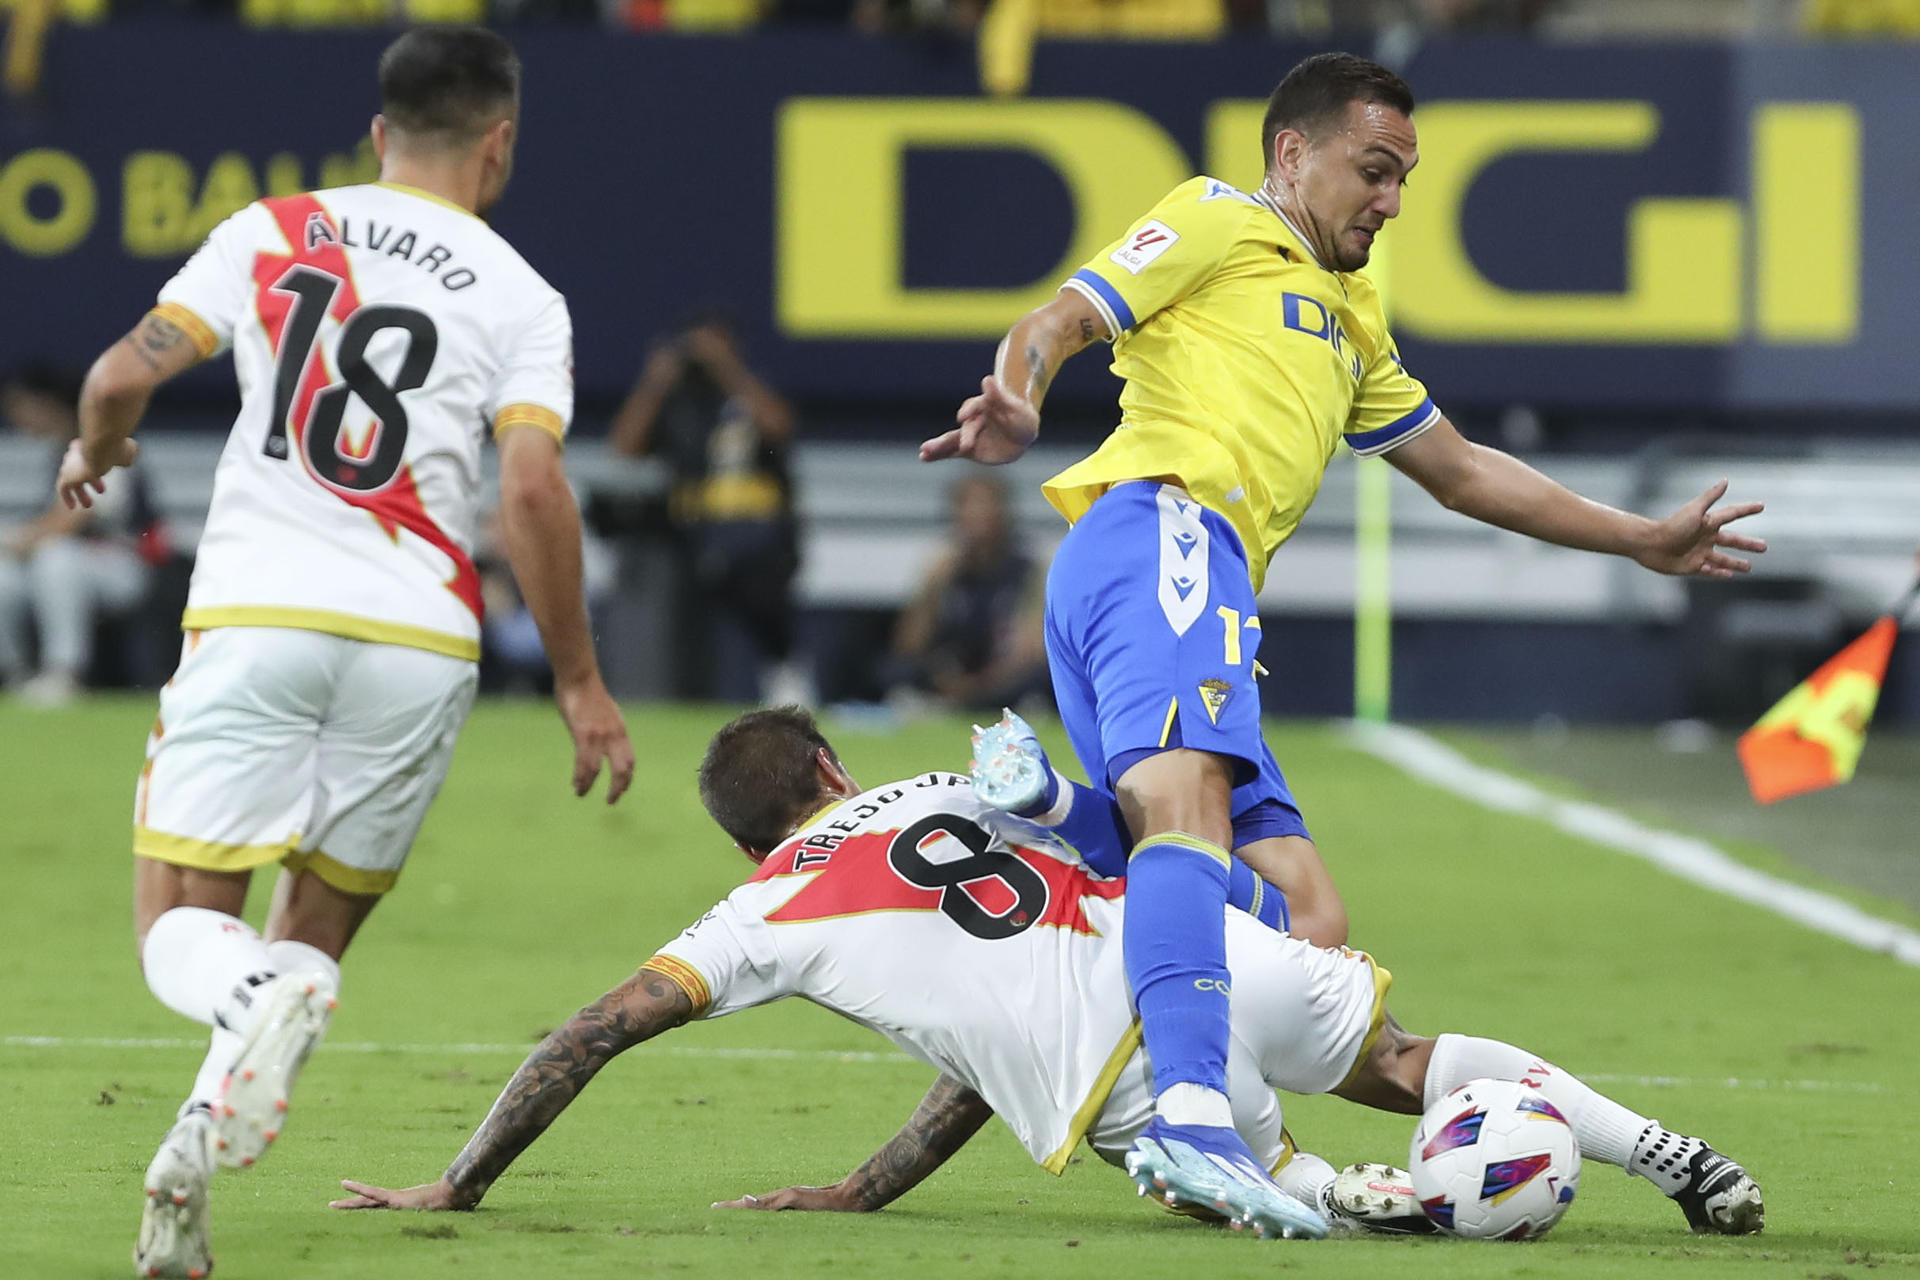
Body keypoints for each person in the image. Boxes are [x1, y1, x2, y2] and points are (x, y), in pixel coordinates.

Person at [916, 50, 1768, 1224]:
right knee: (1187, 823)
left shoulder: (1353, 313)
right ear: (1292, 154)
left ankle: (1067, 815)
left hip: (1209, 594)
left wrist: (1639, 538)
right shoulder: (1217, 219)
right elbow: (1061, 316)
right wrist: (1018, 392)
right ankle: (1199, 1124)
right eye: (1375, 170)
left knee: (1306, 915)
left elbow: (1461, 470)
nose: (1393, 201)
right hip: (1161, 530)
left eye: (1406, 178)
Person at [329, 707, 1764, 1240]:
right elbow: (989, 994)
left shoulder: (756, 914)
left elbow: (593, 1033)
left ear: (751, 825)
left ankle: (1378, 1203)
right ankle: (1662, 1151)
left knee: (1278, 1190)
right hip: (1194, 946)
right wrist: (866, 1185)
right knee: (1408, 1062)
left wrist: (461, 1182)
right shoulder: (948, 786)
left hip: (1130, 1073)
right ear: (834, 769)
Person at [58, 27, 635, 1280]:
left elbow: (117, 376)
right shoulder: (523, 295)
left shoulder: (275, 229)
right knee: (306, 943)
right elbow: (532, 494)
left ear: (379, 134)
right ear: (502, 143)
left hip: (259, 614)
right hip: (421, 640)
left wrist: (95, 458)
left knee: (182, 932)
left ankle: (242, 1021)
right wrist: (582, 680)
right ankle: (186, 1179)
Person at [609, 312, 808, 704]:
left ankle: (787, 684)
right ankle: (689, 699)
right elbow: (623, 446)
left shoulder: (748, 391)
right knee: (688, 629)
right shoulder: (680, 402)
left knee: (766, 618)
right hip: (693, 533)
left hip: (758, 536)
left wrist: (727, 368)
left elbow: (780, 427)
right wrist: (656, 381)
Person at [0, 365, 158, 705]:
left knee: (57, 559)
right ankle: (16, 674)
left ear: (48, 404)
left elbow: (72, 519)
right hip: (68, 560)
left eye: (22, 405)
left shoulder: (102, 442)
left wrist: (14, 542)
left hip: (122, 563)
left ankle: (65, 672)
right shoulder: (52, 450)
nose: (15, 415)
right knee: (5, 575)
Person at [886, 474, 1048, 714]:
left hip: (1000, 676)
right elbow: (908, 646)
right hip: (950, 673)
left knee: (1040, 677)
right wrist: (933, 588)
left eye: (988, 506)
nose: (980, 516)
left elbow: (1028, 650)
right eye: (970, 507)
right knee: (895, 670)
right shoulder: (944, 569)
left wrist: (979, 685)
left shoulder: (1028, 571)